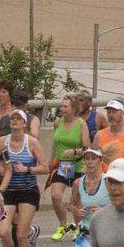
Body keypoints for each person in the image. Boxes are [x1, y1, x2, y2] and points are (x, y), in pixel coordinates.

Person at [0, 108, 47, 247]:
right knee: (3, 231)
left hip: (28, 190)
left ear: (25, 123)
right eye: (12, 118)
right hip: (10, 190)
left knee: (20, 234)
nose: (15, 121)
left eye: (18, 119)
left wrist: (28, 169)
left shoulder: (32, 142)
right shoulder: (3, 142)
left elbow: (45, 167)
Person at [46, 94, 89, 239]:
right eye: (61, 106)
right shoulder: (58, 123)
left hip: (78, 164)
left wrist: (75, 151)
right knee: (55, 195)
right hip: (62, 164)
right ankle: (63, 225)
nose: (62, 109)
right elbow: (55, 143)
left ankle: (77, 227)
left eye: (65, 106)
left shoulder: (81, 124)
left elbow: (86, 148)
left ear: (74, 108)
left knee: (75, 199)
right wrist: (50, 160)